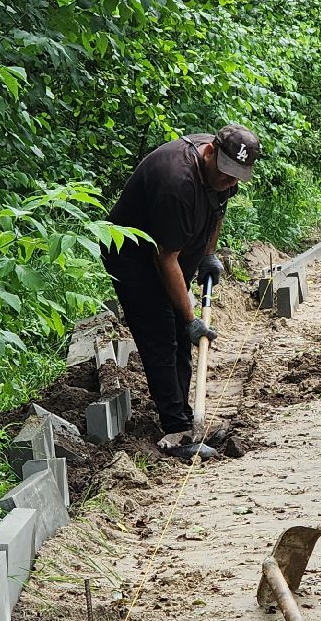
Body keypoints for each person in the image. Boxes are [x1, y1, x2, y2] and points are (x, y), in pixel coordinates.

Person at [103, 124, 261, 454]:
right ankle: (175, 431)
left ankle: (186, 422)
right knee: (162, 331)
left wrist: (209, 254)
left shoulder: (223, 174)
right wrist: (190, 318)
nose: (230, 182)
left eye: (236, 177)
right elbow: (165, 257)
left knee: (178, 327)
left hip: (170, 250)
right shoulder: (176, 182)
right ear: (210, 151)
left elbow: (218, 209)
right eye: (226, 174)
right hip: (131, 254)